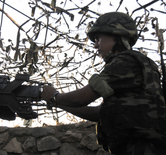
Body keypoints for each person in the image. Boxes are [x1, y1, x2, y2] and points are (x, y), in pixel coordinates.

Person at [41, 12, 166, 155]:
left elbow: (82, 97)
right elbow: (99, 113)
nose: (95, 45)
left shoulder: (125, 62)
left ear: (115, 36)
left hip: (141, 147)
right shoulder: (138, 63)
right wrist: (58, 103)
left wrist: (54, 96)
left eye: (98, 38)